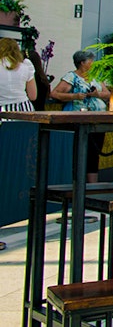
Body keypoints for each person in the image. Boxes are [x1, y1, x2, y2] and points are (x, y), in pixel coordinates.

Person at [50, 50, 110, 183]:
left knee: (94, 153)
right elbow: (55, 93)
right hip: (79, 120)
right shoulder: (72, 77)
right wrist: (74, 96)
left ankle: (92, 185)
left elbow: (108, 94)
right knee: (80, 152)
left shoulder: (96, 77)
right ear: (82, 63)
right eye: (90, 61)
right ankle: (77, 182)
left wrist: (97, 95)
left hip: (98, 119)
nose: (93, 64)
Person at [0, 38, 37, 250]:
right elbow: (33, 95)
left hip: (2, 113)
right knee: (23, 160)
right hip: (23, 113)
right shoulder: (25, 67)